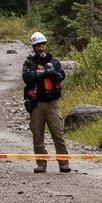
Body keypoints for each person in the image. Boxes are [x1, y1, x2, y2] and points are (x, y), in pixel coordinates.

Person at [22, 31, 70, 173]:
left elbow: (62, 76)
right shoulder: (29, 63)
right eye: (37, 45)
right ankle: (41, 164)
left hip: (52, 104)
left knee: (58, 133)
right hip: (36, 104)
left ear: (45, 45)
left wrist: (53, 73)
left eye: (42, 45)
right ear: (34, 47)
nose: (40, 48)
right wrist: (40, 73)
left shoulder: (54, 62)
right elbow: (26, 78)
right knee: (37, 135)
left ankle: (64, 163)